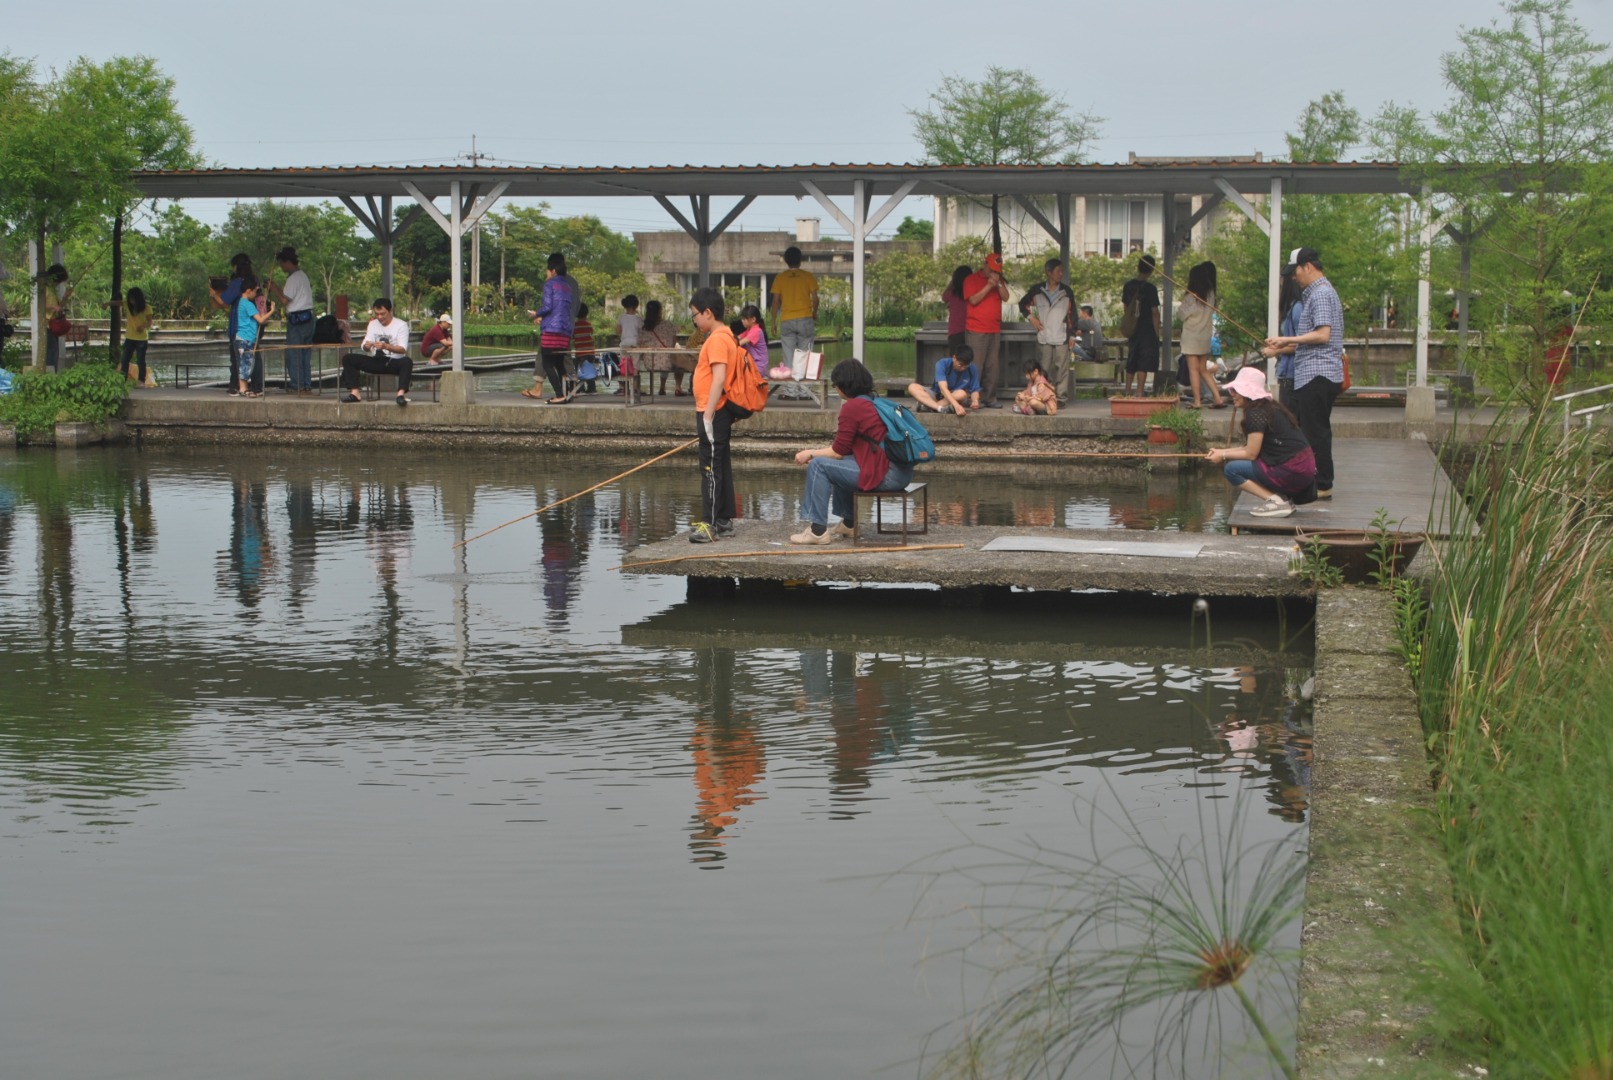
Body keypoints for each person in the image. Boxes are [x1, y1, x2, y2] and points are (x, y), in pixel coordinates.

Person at [789, 358, 915, 545]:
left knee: (818, 466)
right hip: (900, 473)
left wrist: (811, 453)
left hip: (886, 475)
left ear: (843, 386)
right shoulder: (875, 401)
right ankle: (849, 524)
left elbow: (837, 452)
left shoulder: (853, 408)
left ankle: (817, 531)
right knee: (837, 465)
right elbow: (845, 450)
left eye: (835, 385)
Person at [1263, 247, 1344, 499]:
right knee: (1313, 429)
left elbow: (1323, 335)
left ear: (1307, 266)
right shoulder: (1318, 293)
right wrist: (1283, 346)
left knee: (1315, 431)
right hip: (1318, 372)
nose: (1294, 277)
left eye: (1295, 271)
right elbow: (1315, 338)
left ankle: (1322, 484)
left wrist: (1286, 338)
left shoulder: (1320, 294)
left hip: (1317, 373)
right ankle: (1318, 481)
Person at [1205, 367, 1317, 518]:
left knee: (1232, 469)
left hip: (1294, 470)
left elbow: (1251, 454)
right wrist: (1221, 452)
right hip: (1303, 468)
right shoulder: (1266, 408)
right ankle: (1279, 500)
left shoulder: (1256, 413)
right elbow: (1249, 447)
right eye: (1232, 390)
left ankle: (1276, 502)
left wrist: (1224, 455)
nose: (1232, 395)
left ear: (1247, 393)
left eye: (1236, 391)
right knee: (1241, 463)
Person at [688, 287, 750, 544]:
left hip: (712, 411)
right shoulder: (728, 337)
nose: (693, 320)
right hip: (717, 411)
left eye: (694, 315)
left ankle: (710, 524)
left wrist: (708, 416)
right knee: (720, 463)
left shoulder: (716, 339)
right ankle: (723, 519)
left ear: (708, 313)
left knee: (710, 468)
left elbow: (719, 379)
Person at [1018, 257, 1076, 401]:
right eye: (1058, 271)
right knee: (1043, 369)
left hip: (1061, 335)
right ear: (1049, 272)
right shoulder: (1037, 290)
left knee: (1061, 369)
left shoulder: (1066, 292)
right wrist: (1032, 318)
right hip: (1044, 335)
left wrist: (1072, 336)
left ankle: (1061, 397)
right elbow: (1022, 304)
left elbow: (1072, 315)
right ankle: (1043, 395)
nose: (1061, 274)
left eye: (1062, 271)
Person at [338, 297, 412, 406]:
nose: (380, 317)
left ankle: (400, 394)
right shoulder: (373, 324)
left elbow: (402, 349)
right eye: (377, 314)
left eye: (383, 314)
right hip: (376, 360)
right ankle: (355, 393)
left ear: (390, 311)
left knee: (407, 361)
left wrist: (386, 346)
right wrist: (367, 346)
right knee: (348, 358)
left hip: (393, 362)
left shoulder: (401, 325)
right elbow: (364, 345)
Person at [524, 253, 577, 403]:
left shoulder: (550, 284)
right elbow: (563, 309)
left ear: (553, 270)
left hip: (551, 331)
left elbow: (548, 307)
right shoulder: (567, 286)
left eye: (547, 270)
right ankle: (567, 394)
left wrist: (536, 313)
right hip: (564, 331)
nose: (547, 273)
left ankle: (559, 395)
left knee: (547, 364)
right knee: (560, 364)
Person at [963, 252, 1010, 407]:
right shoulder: (971, 280)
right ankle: (973, 397)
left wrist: (998, 284)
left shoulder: (999, 280)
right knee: (976, 365)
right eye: (992, 269)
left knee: (992, 366)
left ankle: (990, 398)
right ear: (984, 265)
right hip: (976, 329)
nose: (994, 273)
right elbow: (973, 300)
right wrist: (989, 285)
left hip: (994, 329)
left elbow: (1006, 297)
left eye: (997, 270)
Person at [266, 246, 315, 395]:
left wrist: (272, 288)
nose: (281, 266)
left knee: (294, 353)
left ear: (287, 262)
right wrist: (275, 286)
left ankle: (297, 385)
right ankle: (306, 385)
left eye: (281, 263)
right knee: (305, 354)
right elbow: (288, 295)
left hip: (297, 320)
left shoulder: (293, 278)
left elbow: (284, 300)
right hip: (309, 318)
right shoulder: (302, 275)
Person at [1179, 260, 1225, 409]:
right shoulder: (1210, 295)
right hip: (1204, 337)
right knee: (1203, 369)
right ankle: (1217, 398)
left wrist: (1186, 300)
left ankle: (1197, 401)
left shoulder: (1191, 298)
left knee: (1193, 370)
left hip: (1191, 338)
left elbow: (1181, 315)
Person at [209, 253, 256, 393]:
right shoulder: (254, 281)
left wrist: (213, 293)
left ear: (236, 267)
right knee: (250, 357)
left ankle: (237, 386)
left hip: (239, 327)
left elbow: (224, 301)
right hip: (252, 327)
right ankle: (253, 385)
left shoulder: (238, 283)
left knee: (237, 358)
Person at [768, 245, 818, 371]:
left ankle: (790, 390)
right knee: (805, 358)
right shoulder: (808, 276)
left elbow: (775, 303)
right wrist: (814, 312)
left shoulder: (780, 278)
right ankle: (805, 390)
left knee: (788, 359)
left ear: (786, 260)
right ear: (800, 260)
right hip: (805, 319)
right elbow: (815, 299)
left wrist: (773, 322)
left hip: (787, 320)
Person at [1260, 268, 1303, 406]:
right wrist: (1277, 343)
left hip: (1293, 375)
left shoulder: (1298, 308)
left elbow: (1301, 343)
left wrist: (1276, 351)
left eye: (1281, 282)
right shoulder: (1293, 307)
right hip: (1287, 374)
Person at [1122, 254, 1162, 396]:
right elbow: (1155, 312)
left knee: (1132, 358)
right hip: (1147, 329)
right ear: (1151, 270)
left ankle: (1127, 390)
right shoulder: (1150, 288)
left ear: (1138, 267)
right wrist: (1157, 332)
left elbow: (1126, 308)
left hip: (1133, 328)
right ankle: (1139, 392)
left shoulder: (1128, 286)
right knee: (1143, 362)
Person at [233, 278, 276, 399]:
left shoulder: (242, 302)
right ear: (248, 291)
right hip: (245, 338)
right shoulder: (247, 304)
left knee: (246, 363)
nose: (256, 294)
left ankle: (244, 388)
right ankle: (243, 389)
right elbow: (261, 320)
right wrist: (272, 311)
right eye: (255, 291)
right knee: (245, 364)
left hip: (245, 338)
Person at [906, 346, 979, 416]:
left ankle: (930, 406)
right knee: (912, 387)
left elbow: (974, 390)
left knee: (962, 393)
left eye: (965, 366)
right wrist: (955, 405)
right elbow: (943, 389)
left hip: (955, 396)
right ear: (954, 358)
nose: (963, 368)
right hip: (937, 394)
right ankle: (940, 408)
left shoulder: (972, 368)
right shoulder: (942, 364)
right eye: (960, 365)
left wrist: (975, 401)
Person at [639, 299, 680, 396]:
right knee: (673, 359)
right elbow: (673, 343)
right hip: (667, 363)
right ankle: (676, 387)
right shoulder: (668, 325)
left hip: (649, 363)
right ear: (660, 311)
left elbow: (640, 344)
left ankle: (640, 388)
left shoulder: (644, 327)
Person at [120, 287, 152, 387]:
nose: (131, 301)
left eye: (133, 299)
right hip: (129, 337)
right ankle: (122, 379)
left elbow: (150, 322)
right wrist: (106, 304)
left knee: (140, 360)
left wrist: (142, 326)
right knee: (125, 359)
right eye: (130, 299)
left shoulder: (147, 308)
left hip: (141, 339)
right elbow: (117, 303)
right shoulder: (127, 305)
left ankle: (141, 380)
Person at [616, 294, 642, 397]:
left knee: (624, 366)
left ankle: (624, 388)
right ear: (636, 306)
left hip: (624, 344)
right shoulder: (638, 319)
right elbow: (642, 332)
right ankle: (634, 388)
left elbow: (618, 330)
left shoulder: (621, 318)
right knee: (635, 367)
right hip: (635, 345)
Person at [942, 264, 972, 353]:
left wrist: (952, 283)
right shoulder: (972, 294)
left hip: (955, 332)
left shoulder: (952, 293)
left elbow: (944, 297)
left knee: (956, 362)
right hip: (971, 332)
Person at [736, 304, 769, 379]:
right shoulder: (749, 330)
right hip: (753, 365)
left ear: (753, 319)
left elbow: (739, 343)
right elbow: (737, 338)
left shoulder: (756, 331)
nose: (742, 321)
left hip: (758, 367)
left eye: (744, 319)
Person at [572, 302, 598, 393]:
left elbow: (572, 336)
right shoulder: (589, 324)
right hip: (590, 353)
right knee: (589, 369)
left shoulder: (574, 326)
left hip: (580, 353)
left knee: (580, 370)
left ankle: (580, 388)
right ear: (586, 313)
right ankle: (592, 388)